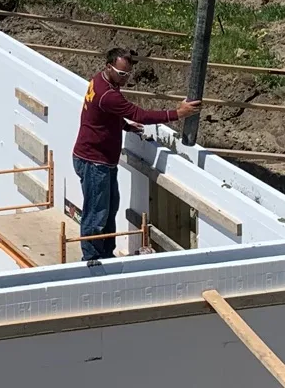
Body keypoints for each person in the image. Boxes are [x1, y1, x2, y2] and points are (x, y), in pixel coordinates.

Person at [72, 48, 201, 262]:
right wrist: (177, 114)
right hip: (94, 162)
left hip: (99, 160)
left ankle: (105, 254)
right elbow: (139, 114)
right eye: (122, 74)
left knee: (109, 208)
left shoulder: (101, 82)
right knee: (96, 214)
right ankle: (91, 260)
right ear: (108, 67)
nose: (126, 78)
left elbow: (104, 116)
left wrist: (125, 127)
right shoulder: (108, 94)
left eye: (128, 74)